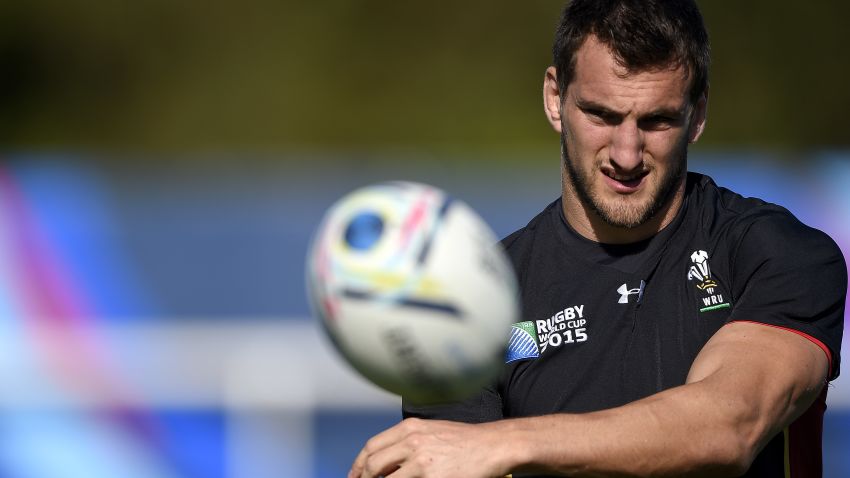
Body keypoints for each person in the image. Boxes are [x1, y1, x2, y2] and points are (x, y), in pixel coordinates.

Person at [349, 0, 846, 476]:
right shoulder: (471, 305)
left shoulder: (780, 254)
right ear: (554, 99)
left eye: (656, 120)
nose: (627, 154)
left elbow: (728, 426)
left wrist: (507, 444)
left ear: (697, 114)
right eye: (602, 116)